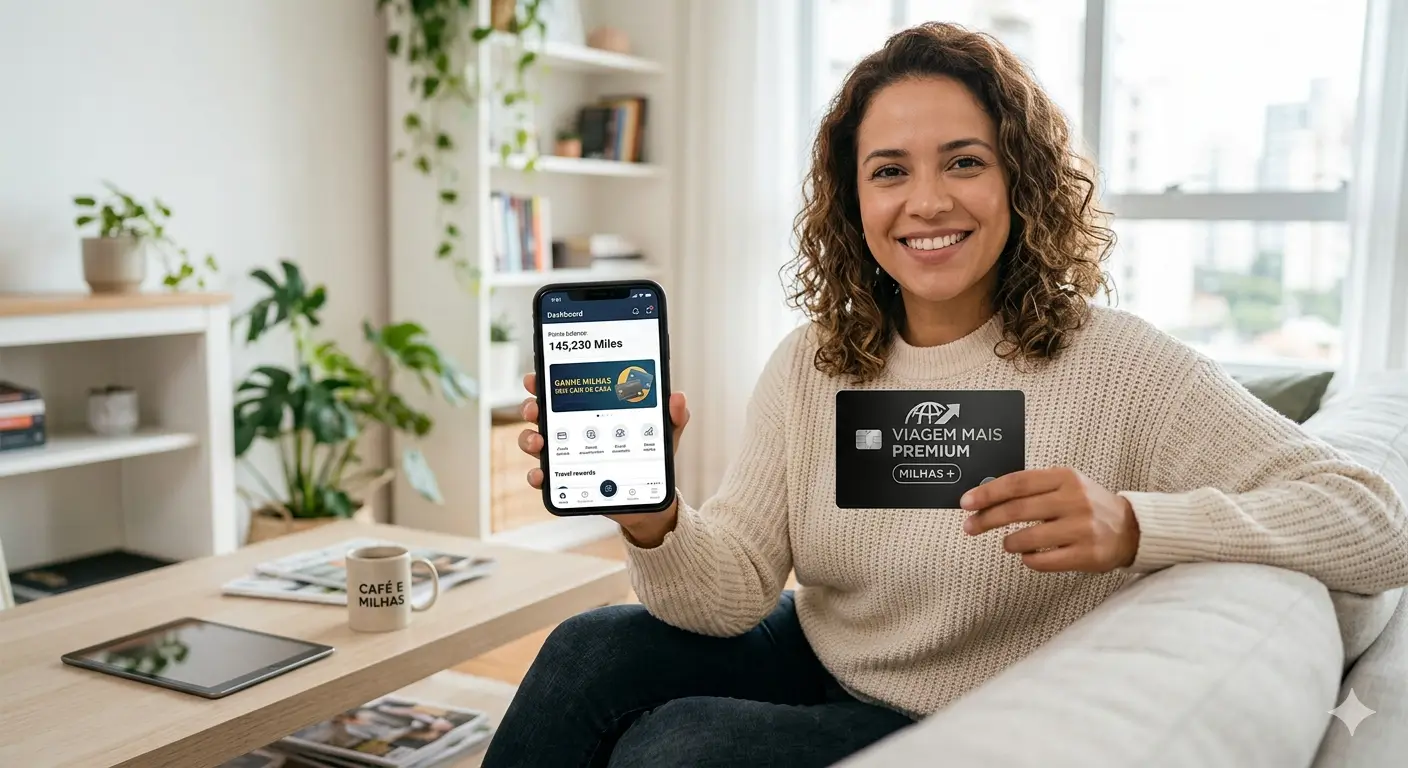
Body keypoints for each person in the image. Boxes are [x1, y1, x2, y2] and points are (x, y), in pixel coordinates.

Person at [480, 21, 1408, 768]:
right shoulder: (813, 362)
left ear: (1020, 180)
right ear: (853, 202)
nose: (926, 202)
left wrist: (1136, 524)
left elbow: (1375, 520)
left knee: (679, 749)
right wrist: (655, 520)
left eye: (964, 161)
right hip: (824, 654)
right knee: (587, 646)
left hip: (967, 716)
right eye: (890, 170)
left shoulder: (1120, 363)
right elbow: (734, 592)